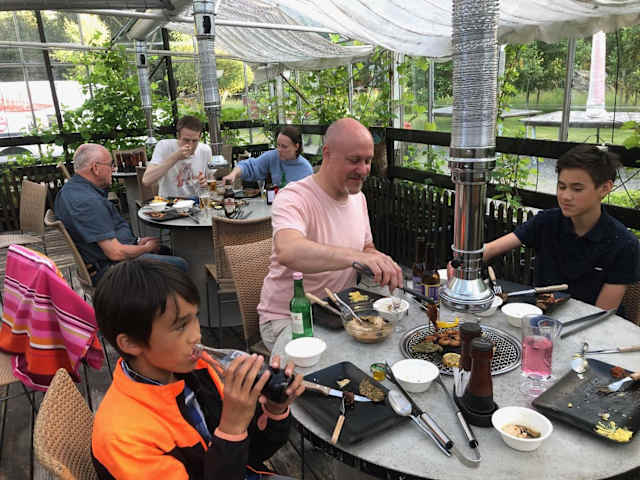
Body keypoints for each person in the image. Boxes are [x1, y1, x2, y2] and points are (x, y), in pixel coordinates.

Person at [91, 259, 304, 479]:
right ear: (131, 343)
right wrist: (231, 427)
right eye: (181, 326)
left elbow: (252, 455)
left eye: (195, 318)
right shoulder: (124, 438)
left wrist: (272, 409)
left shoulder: (196, 369)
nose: (197, 335)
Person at [257, 118, 403, 349]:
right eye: (354, 160)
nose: (363, 170)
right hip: (291, 317)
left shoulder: (358, 198)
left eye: (367, 161)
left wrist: (377, 260)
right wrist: (358, 257)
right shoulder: (293, 197)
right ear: (327, 153)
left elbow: (365, 247)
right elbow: (288, 251)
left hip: (339, 312)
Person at [483, 144, 639, 312]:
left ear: (605, 188)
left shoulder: (623, 244)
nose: (565, 196)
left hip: (590, 323)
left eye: (577, 189)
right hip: (541, 315)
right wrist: (467, 262)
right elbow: (490, 249)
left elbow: (599, 315)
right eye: (562, 186)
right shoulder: (547, 222)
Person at [54, 143, 187, 286]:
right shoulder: (86, 201)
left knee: (165, 250)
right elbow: (116, 253)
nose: (113, 169)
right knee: (180, 264)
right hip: (110, 270)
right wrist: (145, 248)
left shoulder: (73, 189)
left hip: (105, 259)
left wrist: (136, 242)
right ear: (95, 168)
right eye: (110, 165)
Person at [222, 126, 313, 187]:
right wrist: (233, 175)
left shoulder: (306, 170)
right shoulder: (273, 156)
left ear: (296, 146)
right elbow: (250, 166)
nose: (279, 149)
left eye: (284, 146)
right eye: (278, 145)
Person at [143, 115, 209, 198]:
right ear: (178, 136)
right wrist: (176, 157)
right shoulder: (164, 146)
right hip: (169, 202)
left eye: (195, 141)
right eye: (186, 140)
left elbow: (211, 181)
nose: (190, 145)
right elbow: (146, 180)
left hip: (197, 201)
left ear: (200, 137)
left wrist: (205, 183)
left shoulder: (205, 150)